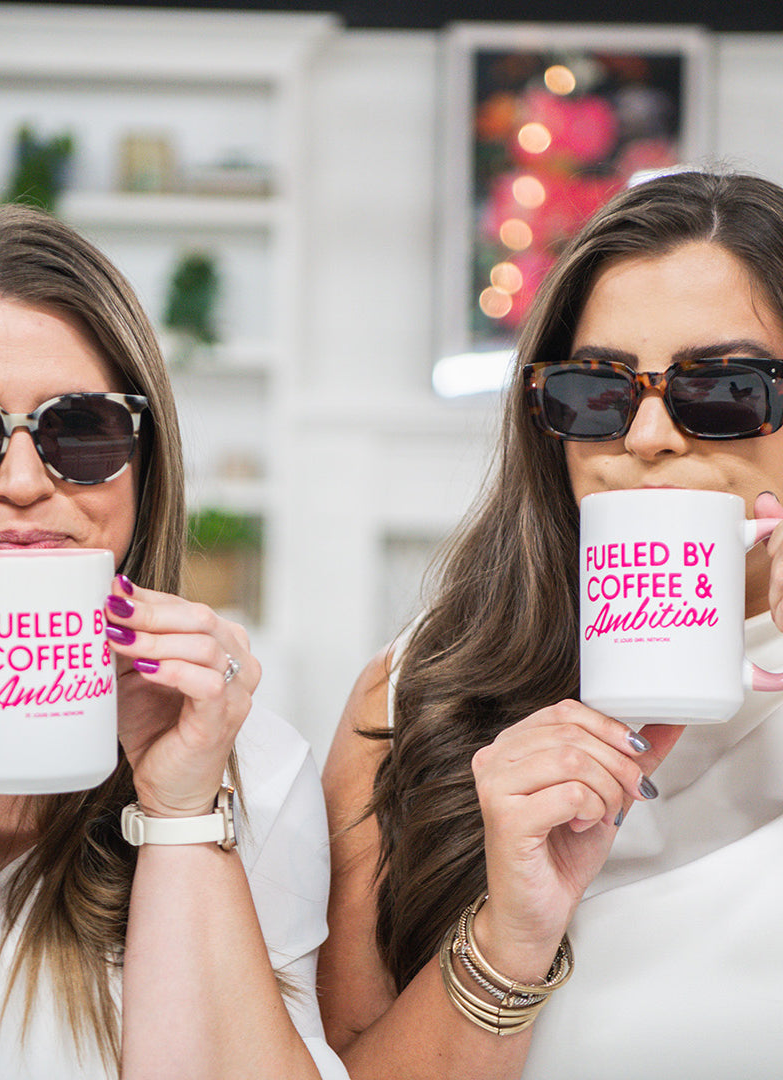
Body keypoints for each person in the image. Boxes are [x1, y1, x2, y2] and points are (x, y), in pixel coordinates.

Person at [319, 169, 783, 1079]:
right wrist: (508, 936)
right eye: (596, 393)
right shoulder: (418, 693)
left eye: (726, 389)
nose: (647, 436)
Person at [0, 203, 348, 1080]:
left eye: (81, 431)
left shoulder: (252, 776)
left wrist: (182, 810)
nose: (24, 482)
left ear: (145, 468)